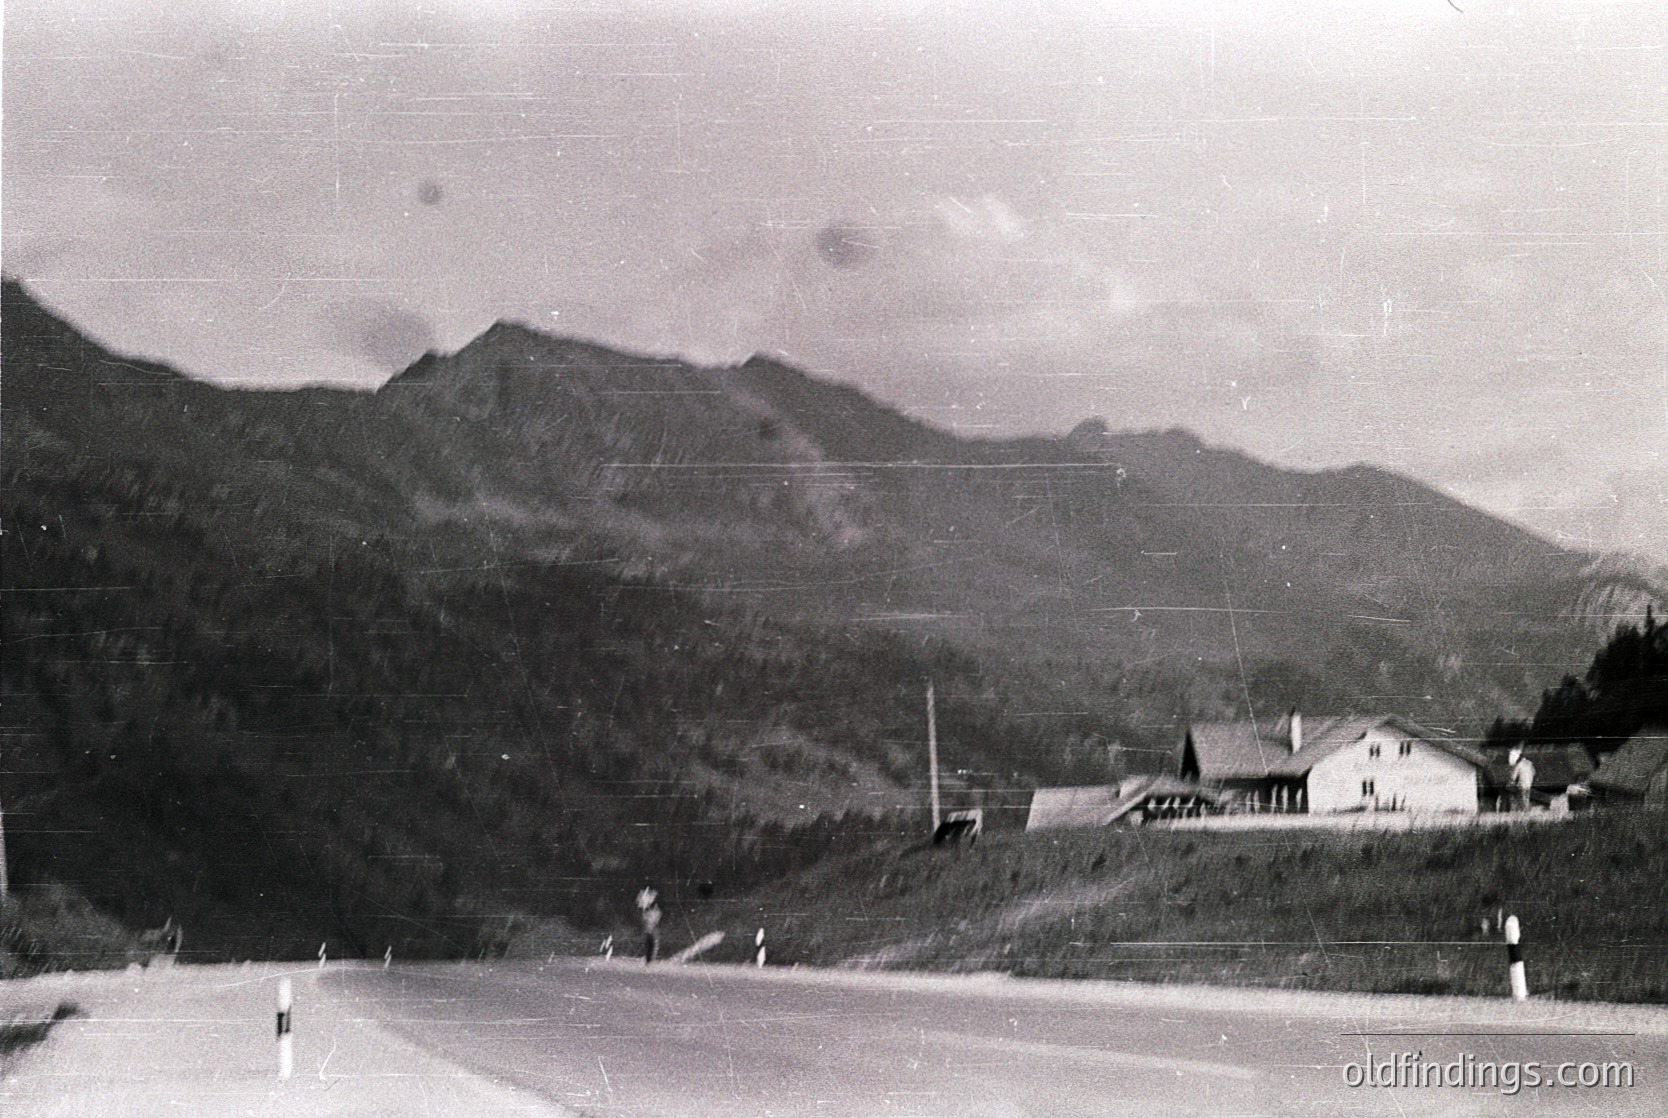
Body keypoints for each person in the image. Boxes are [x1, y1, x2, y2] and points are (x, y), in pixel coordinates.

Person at [636, 885, 662, 964]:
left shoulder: (652, 905)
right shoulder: (647, 900)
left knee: (651, 940)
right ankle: (649, 959)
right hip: (650, 923)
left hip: (651, 923)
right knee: (651, 940)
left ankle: (649, 959)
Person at [1508, 747, 1536, 812]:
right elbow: (1534, 772)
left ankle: (1524, 811)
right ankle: (1527, 810)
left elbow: (1514, 776)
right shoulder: (1530, 763)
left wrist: (1511, 781)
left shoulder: (1519, 765)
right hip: (1529, 784)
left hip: (1522, 784)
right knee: (1527, 798)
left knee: (1522, 799)